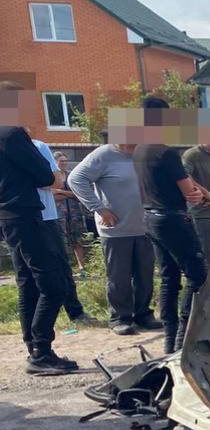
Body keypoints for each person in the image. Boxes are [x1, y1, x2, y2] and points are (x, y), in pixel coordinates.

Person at [0, 80, 75, 373]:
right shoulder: (13, 133)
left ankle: (34, 347)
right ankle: (41, 352)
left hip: (8, 216)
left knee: (28, 283)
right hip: (25, 215)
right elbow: (46, 177)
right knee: (53, 285)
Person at [133, 96, 208, 354]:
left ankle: (169, 340)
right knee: (197, 276)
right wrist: (200, 195)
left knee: (168, 278)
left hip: (151, 219)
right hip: (173, 219)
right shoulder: (166, 153)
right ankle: (183, 340)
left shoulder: (140, 149)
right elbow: (190, 192)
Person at [68, 141, 159, 335]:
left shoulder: (144, 153)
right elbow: (76, 179)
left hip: (145, 226)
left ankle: (143, 314)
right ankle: (120, 318)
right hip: (116, 228)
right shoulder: (103, 155)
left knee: (145, 275)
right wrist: (99, 208)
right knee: (119, 276)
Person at [31, 136, 91, 325]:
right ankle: (37, 321)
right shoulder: (33, 146)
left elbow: (55, 182)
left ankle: (75, 312)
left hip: (45, 216)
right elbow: (55, 183)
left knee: (62, 268)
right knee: (30, 275)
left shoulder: (37, 146)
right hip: (31, 219)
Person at [181, 140, 210, 258]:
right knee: (206, 255)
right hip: (202, 214)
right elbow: (184, 177)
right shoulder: (192, 155)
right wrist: (208, 195)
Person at [52, 151, 89, 275]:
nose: (64, 163)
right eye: (61, 161)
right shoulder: (52, 177)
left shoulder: (72, 175)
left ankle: (82, 268)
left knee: (77, 240)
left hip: (75, 213)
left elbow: (79, 194)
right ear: (55, 162)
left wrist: (60, 192)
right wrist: (69, 194)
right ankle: (63, 269)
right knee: (60, 241)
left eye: (65, 161)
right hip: (58, 213)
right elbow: (51, 195)